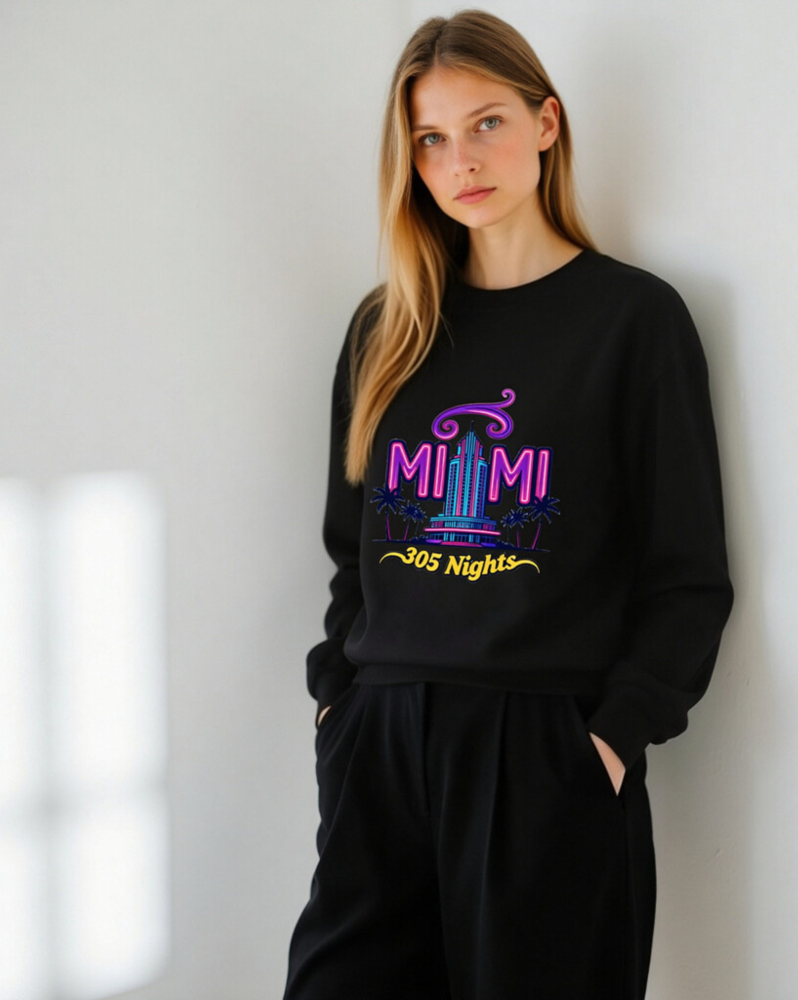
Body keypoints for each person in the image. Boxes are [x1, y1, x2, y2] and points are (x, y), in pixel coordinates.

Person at [282, 9, 733, 1000]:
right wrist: (337, 708)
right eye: (430, 139)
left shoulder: (633, 322)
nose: (461, 161)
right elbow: (352, 552)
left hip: (542, 755)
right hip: (380, 746)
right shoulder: (385, 330)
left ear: (546, 123)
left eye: (486, 122)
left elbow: (687, 576)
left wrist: (606, 744)